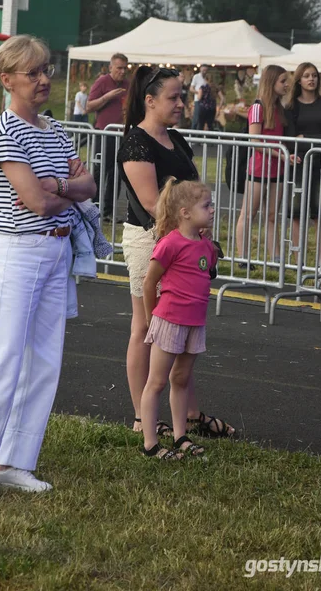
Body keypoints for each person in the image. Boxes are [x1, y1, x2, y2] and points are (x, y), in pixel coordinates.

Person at [0, 34, 96, 505]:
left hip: (55, 253)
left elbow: (87, 184)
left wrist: (57, 186)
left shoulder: (52, 129)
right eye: (32, 72)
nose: (43, 79)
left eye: (46, 69)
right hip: (20, 250)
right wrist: (60, 189)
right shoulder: (5, 132)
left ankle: (13, 463)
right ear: (7, 78)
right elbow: (35, 202)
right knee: (2, 361)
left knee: (44, 361)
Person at [117, 64, 235, 440]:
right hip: (150, 241)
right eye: (174, 97)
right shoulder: (137, 142)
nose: (182, 103)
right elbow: (154, 204)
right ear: (150, 101)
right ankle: (142, 415)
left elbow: (191, 197)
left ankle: (191, 413)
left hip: (182, 243)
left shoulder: (177, 139)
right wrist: (188, 237)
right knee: (146, 327)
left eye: (182, 95)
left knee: (180, 329)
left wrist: (199, 237)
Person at [141, 179, 218, 460]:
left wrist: (209, 242)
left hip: (194, 322)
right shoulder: (170, 243)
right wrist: (151, 320)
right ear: (185, 212)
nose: (212, 210)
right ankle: (150, 443)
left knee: (182, 379)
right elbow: (149, 282)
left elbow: (206, 273)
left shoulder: (205, 245)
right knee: (157, 382)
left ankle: (180, 435)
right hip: (169, 321)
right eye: (206, 205)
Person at [235, 65, 299, 267]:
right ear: (271, 82)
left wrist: (284, 155)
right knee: (248, 213)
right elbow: (254, 140)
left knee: (272, 215)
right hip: (259, 168)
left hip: (277, 170)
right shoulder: (257, 107)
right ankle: (243, 257)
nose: (286, 85)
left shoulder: (280, 109)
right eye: (282, 81)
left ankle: (276, 257)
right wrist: (280, 154)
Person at [285, 62, 321, 269]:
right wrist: (308, 140)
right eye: (306, 75)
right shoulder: (291, 108)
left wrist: (305, 137)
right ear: (299, 79)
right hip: (299, 164)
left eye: (314, 75)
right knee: (297, 215)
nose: (311, 79)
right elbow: (289, 139)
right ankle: (299, 262)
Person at [87, 53, 129, 222]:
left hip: (121, 133)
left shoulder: (128, 84)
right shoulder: (102, 82)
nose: (122, 71)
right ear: (111, 67)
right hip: (104, 133)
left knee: (117, 173)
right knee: (100, 170)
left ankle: (109, 211)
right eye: (119, 68)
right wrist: (107, 97)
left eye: (125, 68)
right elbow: (88, 106)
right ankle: (94, 209)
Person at [189, 64, 208, 130]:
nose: (204, 72)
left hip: (205, 101)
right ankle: (192, 134)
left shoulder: (207, 78)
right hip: (198, 100)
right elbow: (191, 88)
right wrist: (199, 93)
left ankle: (199, 135)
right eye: (203, 70)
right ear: (200, 69)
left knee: (202, 119)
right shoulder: (196, 77)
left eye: (205, 70)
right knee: (196, 118)